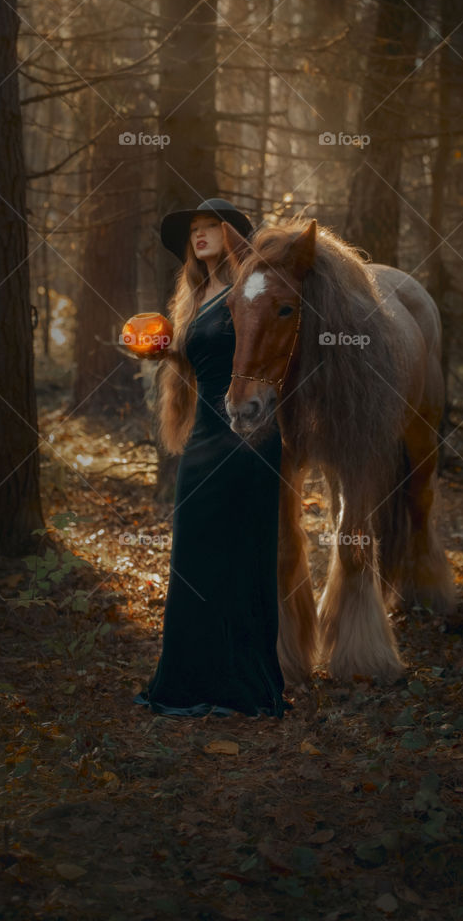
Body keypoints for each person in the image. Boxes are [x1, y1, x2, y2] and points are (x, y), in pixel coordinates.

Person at [133, 197, 292, 718]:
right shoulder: (196, 295)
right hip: (203, 441)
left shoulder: (251, 290)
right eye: (193, 228)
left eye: (210, 227)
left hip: (250, 440)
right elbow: (200, 363)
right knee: (195, 562)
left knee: (243, 558)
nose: (199, 235)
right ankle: (189, 682)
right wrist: (163, 350)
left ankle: (244, 687)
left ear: (233, 236)